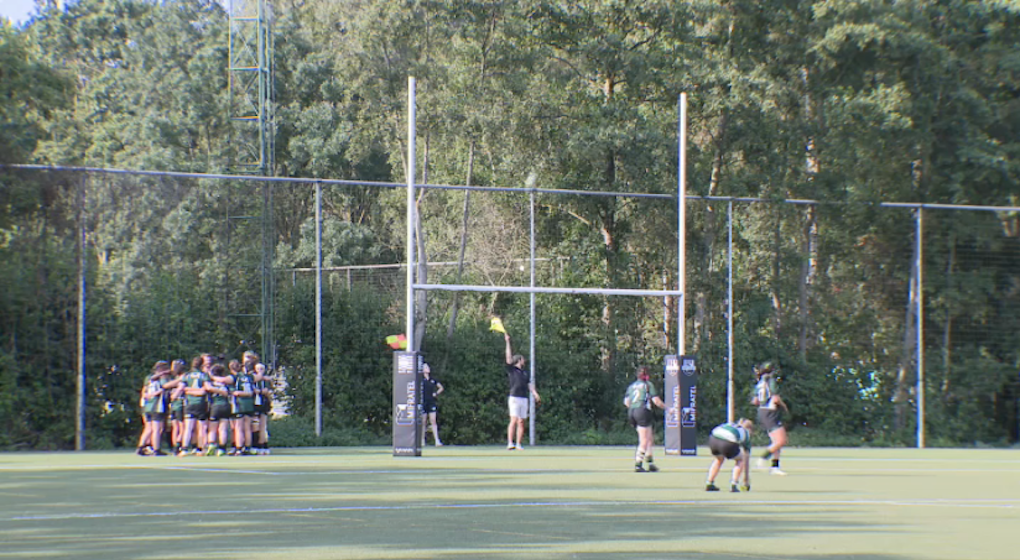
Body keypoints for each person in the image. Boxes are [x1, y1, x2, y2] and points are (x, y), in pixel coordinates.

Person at [623, 365, 666, 472]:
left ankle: (650, 463)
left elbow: (626, 402)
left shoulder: (632, 386)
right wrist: (668, 408)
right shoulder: (648, 385)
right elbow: (656, 401)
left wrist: (635, 407)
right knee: (644, 440)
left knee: (649, 438)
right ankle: (638, 463)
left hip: (632, 411)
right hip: (643, 411)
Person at [751, 361, 789, 475]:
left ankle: (775, 467)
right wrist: (784, 406)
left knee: (776, 442)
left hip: (762, 412)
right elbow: (775, 398)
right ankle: (762, 459)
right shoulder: (770, 380)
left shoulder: (759, 383)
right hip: (770, 412)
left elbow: (754, 401)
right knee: (781, 441)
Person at [504, 333, 540, 450]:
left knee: (521, 421)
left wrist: (535, 394)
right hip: (514, 397)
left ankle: (519, 444)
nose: (524, 361)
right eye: (523, 359)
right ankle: (510, 443)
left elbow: (529, 385)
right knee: (513, 420)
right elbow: (508, 357)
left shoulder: (525, 372)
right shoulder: (512, 370)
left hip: (524, 398)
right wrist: (507, 342)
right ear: (519, 360)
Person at [705, 418, 754, 492]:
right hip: (727, 441)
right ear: (750, 429)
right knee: (741, 460)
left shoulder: (730, 424)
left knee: (719, 459)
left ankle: (709, 483)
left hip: (713, 438)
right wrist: (746, 480)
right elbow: (746, 457)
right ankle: (734, 485)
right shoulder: (746, 433)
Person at [141, 361, 171, 455]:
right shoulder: (162, 379)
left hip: (148, 406)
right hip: (157, 406)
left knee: (149, 428)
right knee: (157, 429)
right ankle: (156, 449)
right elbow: (166, 386)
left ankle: (141, 447)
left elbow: (144, 393)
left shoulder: (149, 378)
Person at [420, 363, 444, 447]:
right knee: (423, 422)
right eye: (426, 367)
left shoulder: (432, 379)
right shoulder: (420, 380)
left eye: (428, 367)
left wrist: (436, 394)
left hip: (431, 402)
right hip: (423, 402)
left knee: (433, 420)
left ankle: (437, 440)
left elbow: (441, 388)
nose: (428, 368)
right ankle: (422, 440)